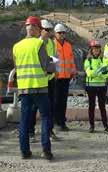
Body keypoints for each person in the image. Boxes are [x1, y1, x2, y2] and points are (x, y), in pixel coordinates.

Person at [13, 16, 54, 160]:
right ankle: (45, 150)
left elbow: (17, 67)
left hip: (24, 89)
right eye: (40, 29)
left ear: (27, 28)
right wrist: (53, 64)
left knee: (24, 120)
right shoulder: (39, 44)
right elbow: (46, 66)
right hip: (39, 87)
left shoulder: (16, 46)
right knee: (45, 117)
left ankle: (24, 151)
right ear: (36, 29)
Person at [29, 19, 59, 141]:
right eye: (47, 30)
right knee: (34, 107)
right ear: (41, 30)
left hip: (50, 78)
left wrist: (56, 70)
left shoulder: (52, 43)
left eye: (50, 30)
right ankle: (31, 131)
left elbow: (55, 57)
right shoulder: (36, 43)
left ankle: (49, 130)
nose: (49, 32)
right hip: (39, 80)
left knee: (50, 106)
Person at [84, 39, 108, 134]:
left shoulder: (103, 60)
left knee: (102, 107)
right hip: (91, 87)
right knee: (91, 106)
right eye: (94, 48)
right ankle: (91, 126)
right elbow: (89, 73)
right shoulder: (88, 61)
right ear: (91, 49)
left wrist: (98, 73)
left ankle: (106, 126)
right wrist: (100, 72)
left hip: (102, 87)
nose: (96, 50)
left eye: (98, 48)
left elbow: (107, 74)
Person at [54, 23, 76, 131]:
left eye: (63, 32)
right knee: (56, 101)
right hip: (56, 78)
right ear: (55, 33)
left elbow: (71, 60)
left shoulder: (68, 45)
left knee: (63, 101)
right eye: (59, 33)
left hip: (66, 77)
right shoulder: (52, 44)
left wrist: (73, 71)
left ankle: (62, 121)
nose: (62, 34)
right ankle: (56, 121)